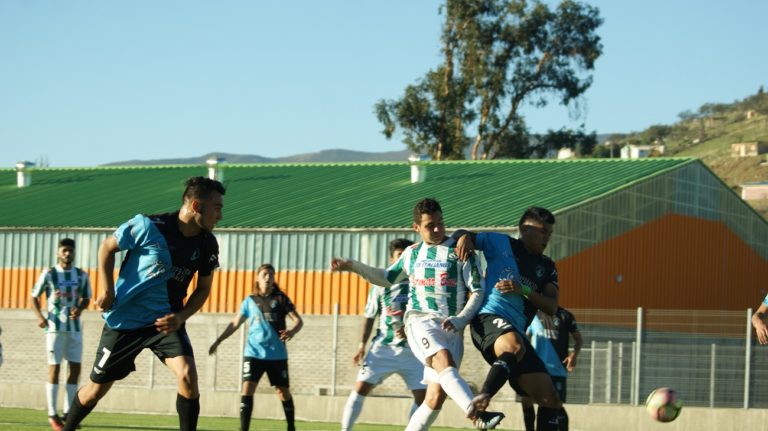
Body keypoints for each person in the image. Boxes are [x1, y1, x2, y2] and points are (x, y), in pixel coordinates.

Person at [62, 176, 225, 431]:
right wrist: (107, 289)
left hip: (165, 322)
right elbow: (106, 247)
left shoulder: (207, 244)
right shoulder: (149, 226)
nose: (220, 215)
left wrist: (181, 317)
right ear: (196, 206)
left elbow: (203, 289)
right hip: (125, 322)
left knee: (187, 377)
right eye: (217, 207)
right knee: (95, 390)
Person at [332, 198, 505, 431]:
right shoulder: (412, 254)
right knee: (442, 358)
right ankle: (476, 415)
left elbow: (478, 290)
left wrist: (461, 319)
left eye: (440, 222)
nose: (437, 229)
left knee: (434, 400)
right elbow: (385, 278)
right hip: (420, 321)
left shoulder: (460, 251)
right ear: (416, 228)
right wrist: (353, 266)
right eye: (429, 225)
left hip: (452, 328)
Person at [453, 206, 570, 430]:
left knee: (551, 401)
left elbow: (552, 307)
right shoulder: (500, 243)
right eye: (543, 231)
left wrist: (524, 290)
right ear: (524, 230)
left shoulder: (547, 266)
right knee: (515, 346)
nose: (547, 237)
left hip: (516, 334)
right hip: (487, 318)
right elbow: (460, 234)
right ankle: (483, 398)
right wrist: (465, 237)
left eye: (550, 233)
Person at [340, 238, 427, 431]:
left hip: (413, 352)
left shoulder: (420, 283)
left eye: (406, 256)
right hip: (383, 348)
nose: (403, 261)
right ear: (392, 260)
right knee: (360, 389)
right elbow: (369, 316)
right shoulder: (381, 285)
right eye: (399, 256)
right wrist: (361, 345)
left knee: (424, 398)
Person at [209, 263, 303, 431]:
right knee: (248, 387)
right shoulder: (250, 301)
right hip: (253, 353)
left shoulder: (281, 298)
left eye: (271, 275)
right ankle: (243, 428)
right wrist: (218, 341)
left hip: (277, 355)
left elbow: (298, 321)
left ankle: (291, 427)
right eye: (265, 274)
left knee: (282, 391)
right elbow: (235, 323)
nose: (268, 278)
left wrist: (291, 332)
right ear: (257, 278)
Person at [31, 238, 92, 431]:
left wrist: (80, 308)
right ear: (58, 253)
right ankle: (52, 414)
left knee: (75, 370)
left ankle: (68, 412)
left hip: (74, 330)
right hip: (54, 329)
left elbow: (87, 298)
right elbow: (34, 296)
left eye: (70, 251)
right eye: (64, 250)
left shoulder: (81, 275)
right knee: (55, 370)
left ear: (74, 253)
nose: (67, 254)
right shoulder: (49, 274)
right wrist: (40, 316)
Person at [520, 307, 582, 431]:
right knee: (526, 399)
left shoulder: (565, 316)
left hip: (557, 370)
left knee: (555, 405)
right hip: (537, 369)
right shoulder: (532, 315)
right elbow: (525, 338)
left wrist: (574, 355)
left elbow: (578, 339)